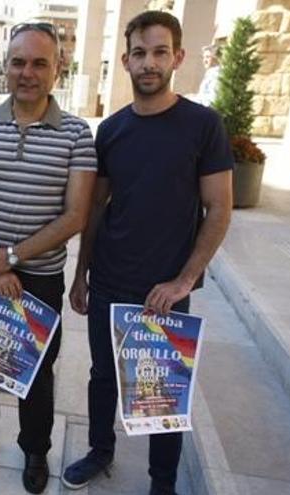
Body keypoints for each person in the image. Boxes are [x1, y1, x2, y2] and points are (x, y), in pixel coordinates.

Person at [60, 11, 233, 495]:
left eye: (160, 52)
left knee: (162, 392)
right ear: (126, 61)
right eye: (140, 53)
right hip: (111, 278)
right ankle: (100, 450)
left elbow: (219, 209)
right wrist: (82, 274)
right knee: (102, 377)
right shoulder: (112, 130)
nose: (149, 62)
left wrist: (183, 282)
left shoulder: (203, 126)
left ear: (177, 57)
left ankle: (162, 482)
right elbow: (95, 209)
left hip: (166, 290)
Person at [0, 22, 96, 494]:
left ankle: (36, 449)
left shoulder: (77, 135)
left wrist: (12, 257)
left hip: (39, 277)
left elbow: (76, 215)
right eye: (18, 62)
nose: (27, 72)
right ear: (6, 67)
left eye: (39, 63)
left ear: (57, 69)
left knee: (35, 372)